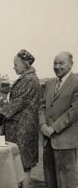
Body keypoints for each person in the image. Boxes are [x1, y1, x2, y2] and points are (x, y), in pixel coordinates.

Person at [0, 49, 41, 188]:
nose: (14, 67)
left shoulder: (29, 80)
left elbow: (17, 103)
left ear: (25, 64)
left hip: (22, 129)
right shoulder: (27, 78)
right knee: (21, 165)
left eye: (16, 64)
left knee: (22, 165)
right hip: (21, 128)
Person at [39, 51, 78, 188]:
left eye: (61, 63)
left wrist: (53, 128)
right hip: (47, 141)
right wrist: (43, 124)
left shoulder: (76, 83)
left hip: (65, 142)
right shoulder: (50, 83)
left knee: (66, 182)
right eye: (55, 63)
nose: (57, 66)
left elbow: (73, 112)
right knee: (50, 181)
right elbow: (42, 106)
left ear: (71, 64)